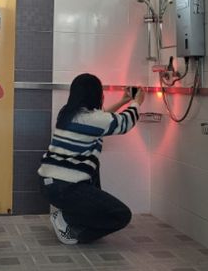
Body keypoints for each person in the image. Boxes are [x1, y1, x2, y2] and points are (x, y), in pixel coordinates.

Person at [38, 73, 144, 245]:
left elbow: (101, 119)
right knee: (121, 215)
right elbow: (125, 122)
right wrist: (137, 102)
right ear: (96, 94)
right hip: (66, 188)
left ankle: (70, 218)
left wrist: (123, 101)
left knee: (93, 165)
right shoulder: (91, 119)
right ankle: (69, 221)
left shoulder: (66, 114)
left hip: (48, 185)